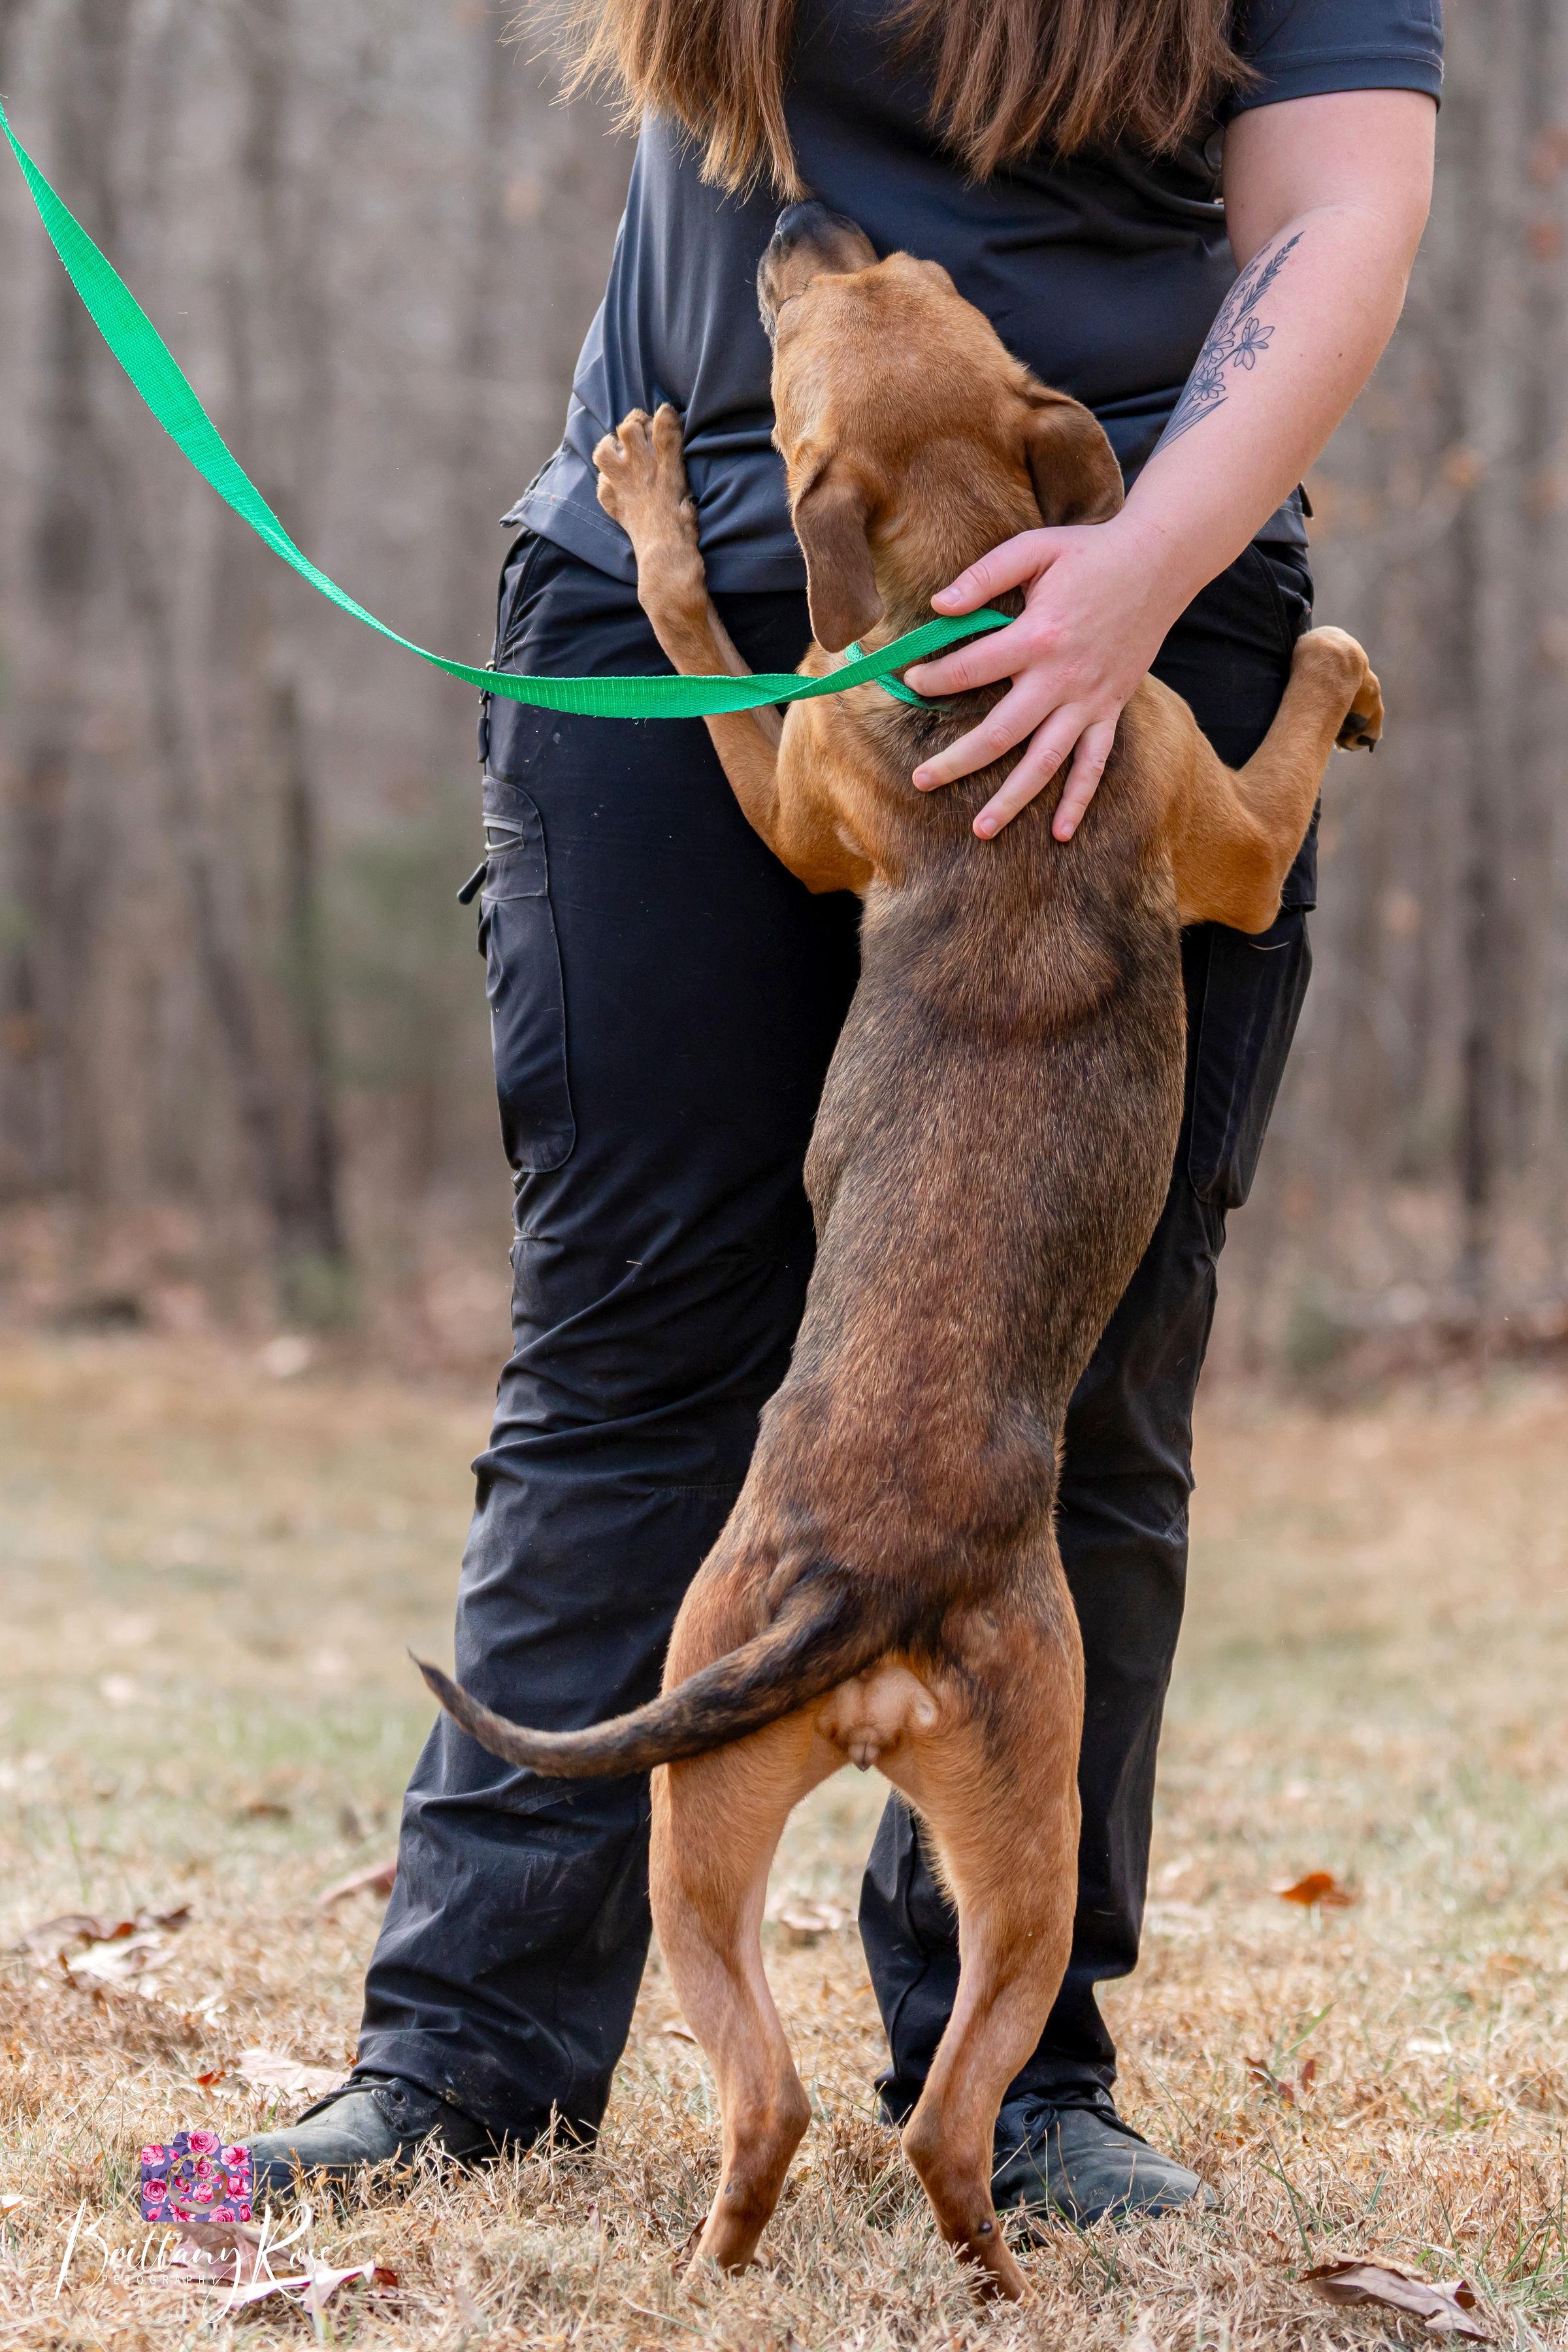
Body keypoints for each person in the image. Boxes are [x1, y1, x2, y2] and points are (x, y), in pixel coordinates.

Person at [249, 0, 1439, 2225]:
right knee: (630, 1347)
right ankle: (463, 2059)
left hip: (1127, 573)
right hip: (675, 575)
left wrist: (1140, 575)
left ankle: (1027, 2084)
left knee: (1087, 1397)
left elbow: (1344, 204)